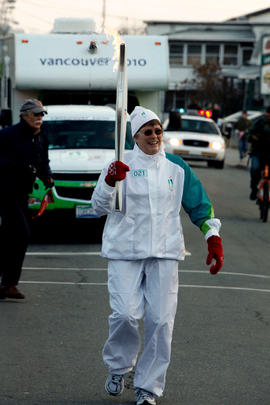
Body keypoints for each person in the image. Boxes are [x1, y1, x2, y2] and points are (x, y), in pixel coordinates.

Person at [91, 106, 224, 405]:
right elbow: (98, 206)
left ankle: (148, 388)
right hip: (125, 251)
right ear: (135, 136)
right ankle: (119, 367)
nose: (154, 136)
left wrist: (212, 237)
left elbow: (199, 205)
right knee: (125, 314)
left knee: (161, 321)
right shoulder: (119, 163)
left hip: (164, 252)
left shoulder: (176, 167)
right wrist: (110, 181)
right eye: (147, 132)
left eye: (157, 131)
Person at [0, 98, 54, 299]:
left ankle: (9, 284)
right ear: (24, 115)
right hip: (5, 191)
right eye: (35, 114)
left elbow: (43, 161)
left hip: (23, 192)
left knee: (10, 237)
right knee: (21, 233)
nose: (39, 118)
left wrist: (47, 176)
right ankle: (7, 282)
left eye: (41, 114)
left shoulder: (41, 137)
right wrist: (16, 165)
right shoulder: (7, 135)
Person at [248, 106, 270, 200]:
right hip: (258, 152)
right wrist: (253, 138)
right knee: (255, 169)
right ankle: (254, 189)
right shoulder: (259, 122)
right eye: (268, 113)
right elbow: (250, 133)